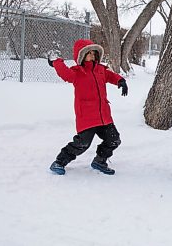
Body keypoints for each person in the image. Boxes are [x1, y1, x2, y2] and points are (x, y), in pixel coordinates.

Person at [47, 39, 128, 176]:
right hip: (87, 115)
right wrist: (56, 62)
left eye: (94, 53)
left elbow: (111, 76)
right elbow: (65, 74)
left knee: (114, 140)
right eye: (89, 53)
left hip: (103, 115)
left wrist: (120, 80)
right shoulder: (78, 72)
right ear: (81, 55)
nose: (92, 55)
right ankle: (59, 162)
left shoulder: (101, 70)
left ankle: (100, 160)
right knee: (82, 144)